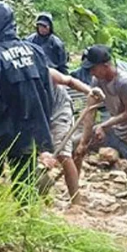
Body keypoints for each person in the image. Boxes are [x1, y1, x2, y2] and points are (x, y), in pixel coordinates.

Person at [0, 0, 54, 191]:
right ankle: (27, 219)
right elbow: (46, 95)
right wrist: (42, 133)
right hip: (28, 133)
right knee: (25, 188)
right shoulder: (35, 52)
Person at [73, 45, 127, 212]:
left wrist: (104, 125)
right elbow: (91, 110)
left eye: (93, 68)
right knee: (75, 148)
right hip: (113, 128)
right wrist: (84, 142)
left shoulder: (124, 82)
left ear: (105, 66)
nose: (91, 72)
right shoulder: (97, 81)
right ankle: (74, 199)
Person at [46, 68, 104, 201]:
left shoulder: (46, 72)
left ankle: (76, 201)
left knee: (63, 153)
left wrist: (90, 91)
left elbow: (70, 81)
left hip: (58, 109)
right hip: (36, 112)